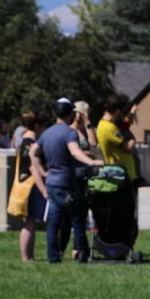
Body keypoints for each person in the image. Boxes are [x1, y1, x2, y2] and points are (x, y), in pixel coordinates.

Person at [32, 98, 103, 264]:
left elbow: (33, 153)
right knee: (77, 220)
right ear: (71, 113)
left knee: (54, 222)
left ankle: (53, 257)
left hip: (52, 183)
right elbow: (75, 152)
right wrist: (92, 162)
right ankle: (84, 255)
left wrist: (43, 172)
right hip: (67, 183)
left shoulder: (47, 133)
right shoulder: (69, 132)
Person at [17, 112, 46, 261]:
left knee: (30, 222)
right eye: (42, 127)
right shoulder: (30, 143)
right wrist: (43, 190)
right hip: (31, 187)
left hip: (26, 185)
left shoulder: (24, 141)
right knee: (30, 222)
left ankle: (30, 256)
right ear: (36, 126)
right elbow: (33, 168)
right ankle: (25, 257)